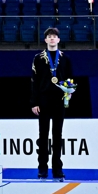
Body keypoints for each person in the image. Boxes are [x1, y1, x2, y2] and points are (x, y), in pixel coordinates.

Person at [30, 28, 75, 180]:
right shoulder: (38, 58)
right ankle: (42, 168)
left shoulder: (65, 58)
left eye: (54, 36)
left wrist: (69, 91)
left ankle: (57, 168)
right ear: (45, 40)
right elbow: (34, 81)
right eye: (49, 37)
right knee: (43, 135)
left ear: (58, 40)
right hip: (43, 100)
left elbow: (70, 78)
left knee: (57, 134)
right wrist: (34, 102)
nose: (52, 39)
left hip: (59, 100)